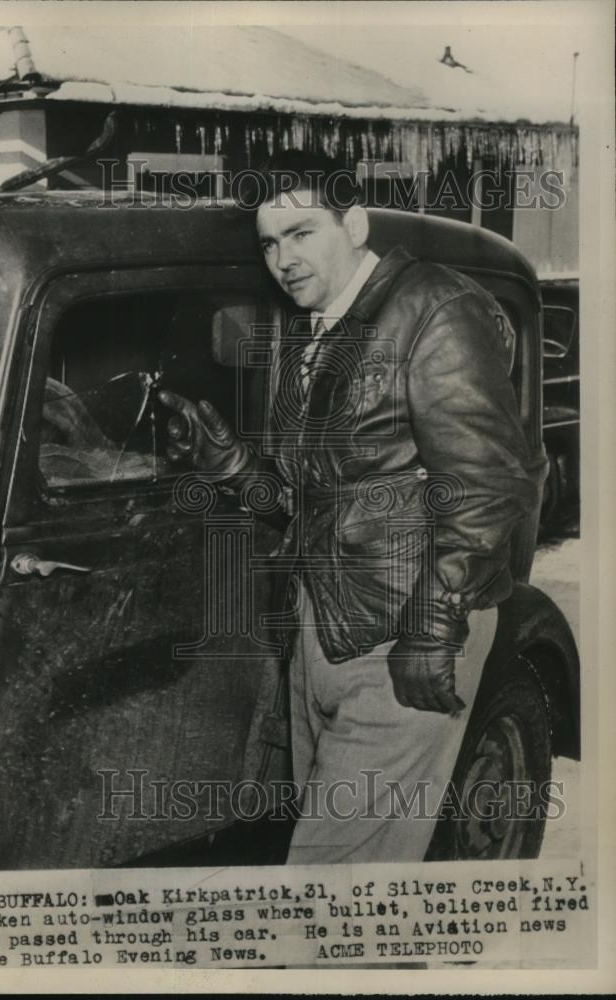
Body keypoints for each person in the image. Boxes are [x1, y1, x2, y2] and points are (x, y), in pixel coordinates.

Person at [159, 152, 544, 864]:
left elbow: (490, 482)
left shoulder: (433, 309)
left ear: (355, 224)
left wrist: (433, 625)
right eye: (270, 243)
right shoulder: (320, 330)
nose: (282, 259)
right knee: (344, 866)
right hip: (329, 622)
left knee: (329, 880)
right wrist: (230, 463)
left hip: (404, 628)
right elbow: (328, 501)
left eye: (301, 233)